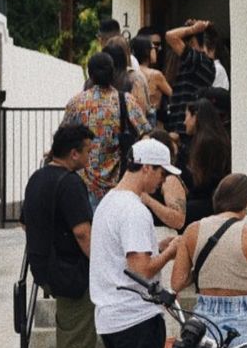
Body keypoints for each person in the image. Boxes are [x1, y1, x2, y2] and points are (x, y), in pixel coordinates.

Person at [89, 137, 181, 348]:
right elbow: (141, 269)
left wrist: (157, 249)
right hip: (135, 313)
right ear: (146, 168)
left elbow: (126, 259)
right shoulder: (134, 210)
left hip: (112, 312)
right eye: (161, 173)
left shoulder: (109, 202)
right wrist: (169, 252)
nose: (162, 181)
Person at [20, 122, 100, 348]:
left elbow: (25, 222)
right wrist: (102, 265)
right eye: (87, 151)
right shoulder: (70, 183)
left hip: (45, 269)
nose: (90, 158)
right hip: (71, 271)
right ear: (73, 153)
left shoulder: (37, 178)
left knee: (68, 330)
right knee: (78, 336)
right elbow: (82, 233)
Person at [171, 172, 247, 348]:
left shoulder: (192, 231)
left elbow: (177, 283)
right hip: (242, 320)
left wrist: (204, 271)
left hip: (203, 320)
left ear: (218, 198)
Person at [62, 50, 150, 209]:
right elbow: (145, 132)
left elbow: (63, 137)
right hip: (117, 183)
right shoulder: (125, 100)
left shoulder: (76, 102)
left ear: (90, 74)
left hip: (83, 182)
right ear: (113, 72)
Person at [183, 98, 232, 225]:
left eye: (187, 116)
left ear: (195, 116)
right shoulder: (215, 137)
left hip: (209, 201)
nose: (184, 122)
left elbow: (206, 180)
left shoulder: (206, 142)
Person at [165, 19, 218, 133]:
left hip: (183, 131)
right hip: (185, 129)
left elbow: (170, 36)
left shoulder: (198, 60)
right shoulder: (206, 65)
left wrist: (192, 29)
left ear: (193, 43)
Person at [132, 34, 172, 127]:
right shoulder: (155, 75)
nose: (158, 50)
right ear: (147, 51)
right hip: (153, 122)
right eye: (154, 48)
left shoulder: (131, 72)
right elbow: (173, 94)